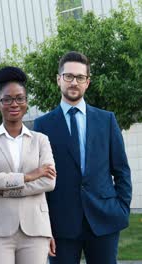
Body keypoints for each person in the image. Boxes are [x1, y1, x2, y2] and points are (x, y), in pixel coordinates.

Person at [33, 51, 132, 264]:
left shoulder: (107, 120)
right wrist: (44, 226)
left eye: (80, 77)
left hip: (104, 220)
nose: (74, 82)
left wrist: (122, 208)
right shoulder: (42, 125)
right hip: (61, 225)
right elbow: (41, 181)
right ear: (58, 79)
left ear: (87, 82)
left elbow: (121, 170)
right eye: (68, 76)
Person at [0, 66, 56, 264]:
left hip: (35, 229)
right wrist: (28, 176)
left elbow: (49, 182)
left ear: (26, 103)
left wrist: (5, 189)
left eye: (20, 98)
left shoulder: (41, 140)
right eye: (7, 99)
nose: (14, 103)